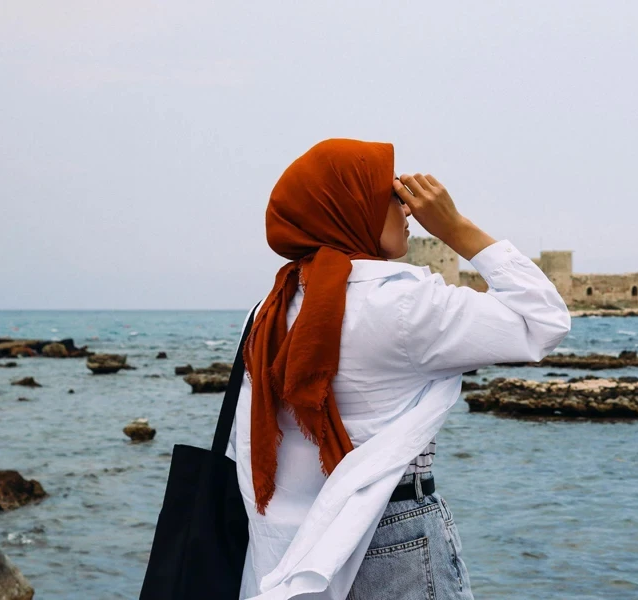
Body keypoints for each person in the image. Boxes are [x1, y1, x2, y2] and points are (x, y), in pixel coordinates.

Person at [225, 138, 571, 600]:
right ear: (352, 208)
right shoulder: (404, 303)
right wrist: (457, 229)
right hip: (394, 530)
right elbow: (543, 321)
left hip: (292, 535)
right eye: (393, 196)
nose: (409, 211)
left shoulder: (271, 309)